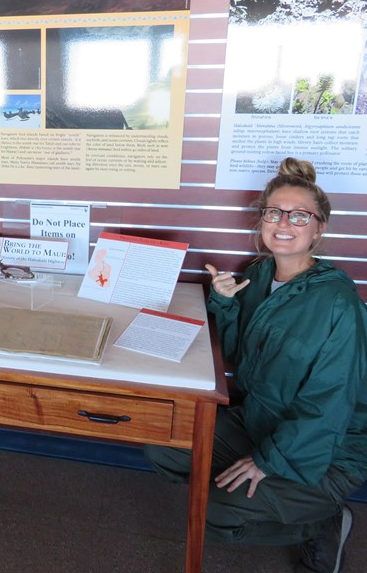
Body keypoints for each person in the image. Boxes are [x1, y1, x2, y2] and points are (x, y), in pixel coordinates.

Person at [144, 157, 367, 573]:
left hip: (324, 451)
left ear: (319, 228)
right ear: (262, 220)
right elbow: (239, 355)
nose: (284, 223)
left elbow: (330, 406)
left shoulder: (338, 303)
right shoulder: (260, 275)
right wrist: (225, 303)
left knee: (213, 514)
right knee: (164, 442)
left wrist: (269, 461)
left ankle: (321, 521)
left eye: (300, 215)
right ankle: (251, 492)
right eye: (274, 212)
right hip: (257, 422)